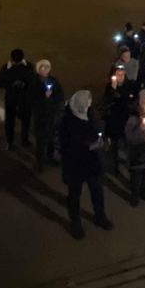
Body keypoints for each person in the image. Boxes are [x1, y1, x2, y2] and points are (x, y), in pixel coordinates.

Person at [60, 91, 113, 239]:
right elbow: (66, 145)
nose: (89, 105)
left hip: (91, 162)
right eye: (87, 102)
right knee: (75, 194)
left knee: (97, 191)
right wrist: (88, 143)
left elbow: (98, 128)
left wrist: (101, 139)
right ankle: (75, 223)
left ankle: (100, 217)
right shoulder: (68, 121)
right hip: (75, 163)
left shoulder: (91, 114)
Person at [0, 49, 34, 150]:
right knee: (10, 120)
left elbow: (32, 80)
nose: (16, 63)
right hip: (12, 98)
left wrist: (24, 84)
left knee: (25, 119)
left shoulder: (28, 66)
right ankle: (10, 141)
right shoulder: (6, 68)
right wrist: (11, 84)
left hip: (24, 97)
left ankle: (24, 139)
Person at [31, 59, 65, 171]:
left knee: (51, 138)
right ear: (38, 69)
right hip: (40, 115)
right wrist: (44, 97)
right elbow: (31, 99)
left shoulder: (54, 81)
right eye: (42, 67)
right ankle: (40, 162)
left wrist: (54, 100)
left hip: (52, 114)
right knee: (41, 140)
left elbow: (60, 96)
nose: (45, 69)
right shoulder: (34, 82)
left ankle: (50, 157)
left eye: (47, 67)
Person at [103, 68, 134, 177]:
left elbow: (129, 101)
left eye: (122, 74)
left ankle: (130, 164)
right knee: (114, 145)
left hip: (125, 119)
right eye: (118, 74)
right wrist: (113, 90)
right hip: (113, 120)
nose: (120, 76)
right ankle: (116, 166)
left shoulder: (129, 85)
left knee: (127, 144)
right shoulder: (110, 86)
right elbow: (107, 101)